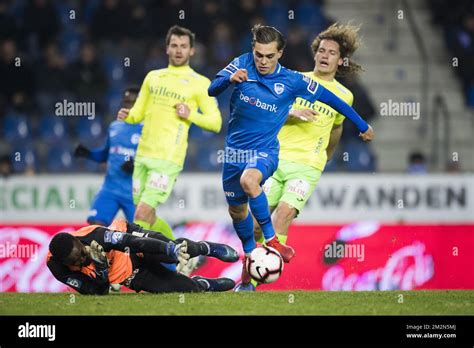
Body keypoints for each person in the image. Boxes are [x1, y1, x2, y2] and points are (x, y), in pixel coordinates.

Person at [208, 24, 374, 290]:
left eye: (331, 52)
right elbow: (268, 116)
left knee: (283, 214)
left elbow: (337, 127)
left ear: (340, 60)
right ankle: (247, 281)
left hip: (307, 166)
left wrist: (324, 158)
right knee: (253, 226)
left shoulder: (344, 95)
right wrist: (292, 114)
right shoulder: (294, 80)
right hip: (277, 157)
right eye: (321, 50)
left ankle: (269, 263)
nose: (324, 55)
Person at [117, 25, 222, 241]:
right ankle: (175, 254)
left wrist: (190, 114)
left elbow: (216, 123)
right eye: (174, 45)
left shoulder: (200, 83)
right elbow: (138, 114)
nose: (178, 50)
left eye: (183, 46)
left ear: (192, 50)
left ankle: (135, 264)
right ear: (167, 49)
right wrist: (127, 115)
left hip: (167, 159)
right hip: (143, 155)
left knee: (140, 215)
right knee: (149, 215)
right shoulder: (153, 77)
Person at [46, 219, 238, 295]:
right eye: (75, 261)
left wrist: (169, 250)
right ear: (64, 263)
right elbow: (95, 291)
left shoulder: (96, 235)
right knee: (187, 290)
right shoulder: (57, 267)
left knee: (175, 252)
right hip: (130, 274)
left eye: (81, 254)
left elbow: (133, 242)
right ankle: (201, 284)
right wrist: (102, 271)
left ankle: (205, 248)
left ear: (78, 241)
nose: (81, 260)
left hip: (132, 245)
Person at [74, 87, 142, 226]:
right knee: (95, 227)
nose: (129, 105)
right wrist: (89, 154)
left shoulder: (147, 129)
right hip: (110, 188)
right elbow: (106, 154)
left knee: (141, 232)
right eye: (126, 102)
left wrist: (137, 165)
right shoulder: (114, 127)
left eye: (133, 102)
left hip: (135, 193)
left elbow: (155, 159)